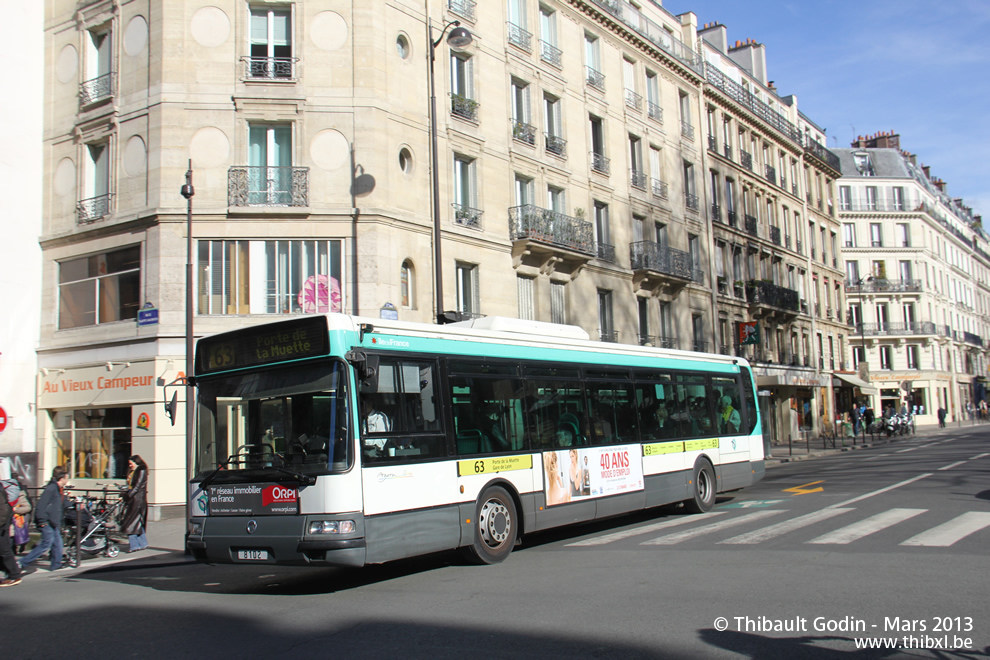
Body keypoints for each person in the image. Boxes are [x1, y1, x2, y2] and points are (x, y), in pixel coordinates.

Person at [19, 466, 69, 572]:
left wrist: (74, 503)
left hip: (53, 521)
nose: (68, 479)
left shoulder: (58, 489)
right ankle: (23, 562)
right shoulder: (51, 488)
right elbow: (41, 505)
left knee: (58, 543)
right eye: (66, 477)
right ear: (62, 479)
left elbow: (60, 504)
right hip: (46, 521)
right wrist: (41, 520)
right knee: (46, 543)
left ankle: (56, 564)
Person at [121, 455, 149, 552]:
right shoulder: (135, 471)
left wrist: (129, 494)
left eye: (131, 463)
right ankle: (142, 543)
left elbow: (137, 486)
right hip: (136, 500)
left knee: (130, 523)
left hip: (137, 500)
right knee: (137, 522)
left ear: (136, 462)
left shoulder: (141, 470)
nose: (129, 465)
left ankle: (134, 545)